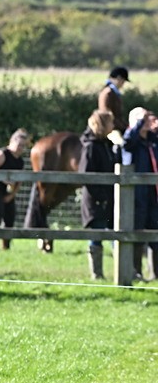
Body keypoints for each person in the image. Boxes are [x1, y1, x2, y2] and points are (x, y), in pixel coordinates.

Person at [78, 110, 120, 280]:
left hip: (110, 199)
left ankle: (122, 270)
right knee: (97, 236)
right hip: (96, 201)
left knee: (115, 235)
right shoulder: (90, 147)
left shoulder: (108, 145)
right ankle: (97, 274)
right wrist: (101, 197)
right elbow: (87, 176)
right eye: (110, 122)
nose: (113, 125)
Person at [122, 106, 158, 281]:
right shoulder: (132, 142)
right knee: (137, 234)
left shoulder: (152, 141)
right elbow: (127, 142)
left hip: (153, 194)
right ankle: (136, 272)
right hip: (137, 195)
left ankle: (156, 273)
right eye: (141, 119)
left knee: (155, 232)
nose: (145, 122)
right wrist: (138, 124)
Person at [98, 66, 129, 134]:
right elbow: (107, 115)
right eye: (123, 81)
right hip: (111, 129)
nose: (123, 84)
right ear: (119, 78)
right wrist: (124, 128)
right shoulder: (108, 93)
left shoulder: (113, 92)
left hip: (115, 126)